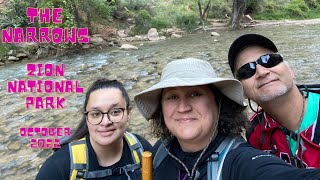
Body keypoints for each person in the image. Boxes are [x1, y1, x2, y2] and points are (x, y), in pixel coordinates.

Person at [134, 58, 320, 180]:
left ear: (218, 103)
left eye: (195, 94)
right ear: (162, 108)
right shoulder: (161, 150)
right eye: (172, 97)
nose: (183, 107)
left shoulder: (241, 162)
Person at [227, 33, 320, 168]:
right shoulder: (254, 132)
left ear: (290, 70)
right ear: (243, 91)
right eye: (247, 71)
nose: (262, 72)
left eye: (269, 60)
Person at [36, 79, 152, 180]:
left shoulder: (142, 149)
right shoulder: (59, 167)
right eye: (96, 114)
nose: (106, 122)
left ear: (128, 113)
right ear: (87, 118)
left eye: (115, 112)